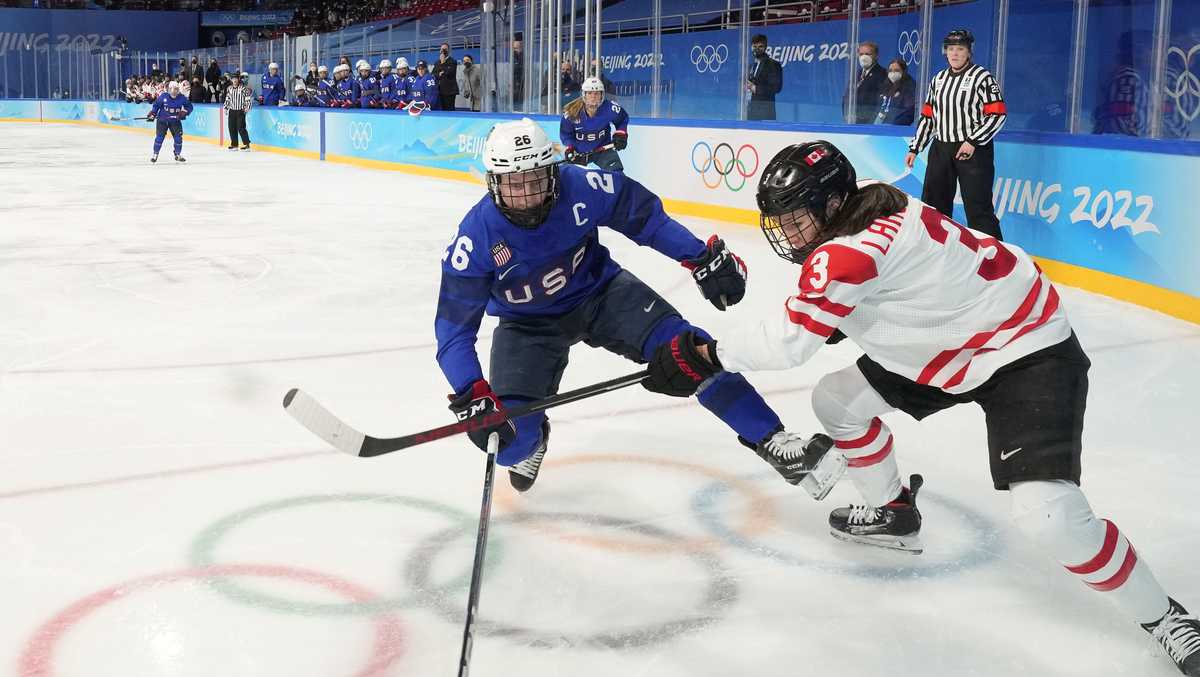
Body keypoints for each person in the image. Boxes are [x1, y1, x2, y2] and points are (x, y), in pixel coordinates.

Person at [642, 140, 1200, 677]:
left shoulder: (843, 255)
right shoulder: (873, 199)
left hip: (1024, 347)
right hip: (944, 342)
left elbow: (790, 343)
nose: (787, 233)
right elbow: (895, 281)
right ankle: (894, 512)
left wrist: (706, 354)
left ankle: (1166, 617)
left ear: (833, 204)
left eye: (795, 218)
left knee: (1049, 515)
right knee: (836, 402)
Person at [435, 118, 845, 496]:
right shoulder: (475, 239)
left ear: (553, 172)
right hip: (527, 327)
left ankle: (772, 440)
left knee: (690, 350)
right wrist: (472, 392)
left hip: (603, 294)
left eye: (535, 180)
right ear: (492, 183)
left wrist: (699, 256)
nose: (525, 195)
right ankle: (534, 438)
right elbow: (453, 330)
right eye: (512, 183)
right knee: (507, 444)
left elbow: (645, 217)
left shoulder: (582, 186)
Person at [906, 29, 1006, 239]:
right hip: (941, 148)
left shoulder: (982, 77)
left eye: (960, 49)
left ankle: (995, 260)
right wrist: (915, 147)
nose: (955, 54)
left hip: (973, 150)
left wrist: (973, 141)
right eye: (951, 49)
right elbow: (928, 117)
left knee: (978, 207)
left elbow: (997, 115)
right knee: (934, 206)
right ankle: (935, 252)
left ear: (969, 52)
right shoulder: (938, 79)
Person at [560, 76, 628, 171]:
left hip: (603, 149)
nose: (593, 97)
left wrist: (621, 134)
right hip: (579, 153)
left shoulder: (610, 108)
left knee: (617, 175)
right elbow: (566, 134)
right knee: (568, 176)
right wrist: (570, 148)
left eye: (597, 93)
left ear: (602, 95)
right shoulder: (571, 113)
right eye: (589, 93)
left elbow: (622, 119)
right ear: (584, 95)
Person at [147, 80, 192, 164]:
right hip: (162, 121)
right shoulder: (163, 96)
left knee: (178, 138)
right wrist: (153, 113)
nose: (173, 91)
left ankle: (177, 154)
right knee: (159, 138)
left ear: (178, 90)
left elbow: (189, 107)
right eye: (171, 89)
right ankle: (155, 154)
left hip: (175, 121)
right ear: (168, 89)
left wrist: (184, 112)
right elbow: (156, 106)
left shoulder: (182, 98)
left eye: (175, 89)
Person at [845, 41, 887, 124]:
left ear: (876, 56)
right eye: (861, 54)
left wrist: (873, 122)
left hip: (869, 123)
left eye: (868, 54)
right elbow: (847, 96)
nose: (864, 57)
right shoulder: (857, 74)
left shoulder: (883, 74)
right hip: (853, 121)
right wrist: (846, 114)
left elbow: (881, 102)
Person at [747, 34, 782, 121]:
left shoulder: (773, 64)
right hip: (750, 111)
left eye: (760, 46)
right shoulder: (751, 66)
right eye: (754, 46)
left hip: (765, 113)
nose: (757, 49)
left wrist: (755, 88)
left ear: (766, 47)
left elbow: (776, 88)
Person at [875, 58, 916, 125]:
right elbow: (877, 108)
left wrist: (894, 125)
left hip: (897, 128)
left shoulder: (909, 87)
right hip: (879, 126)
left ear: (904, 71)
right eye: (890, 70)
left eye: (897, 70)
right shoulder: (885, 86)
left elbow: (908, 112)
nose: (893, 73)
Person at [223, 71, 253, 150]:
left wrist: (247, 108)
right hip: (232, 110)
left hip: (240, 110)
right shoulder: (229, 88)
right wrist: (226, 107)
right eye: (233, 79)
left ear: (238, 79)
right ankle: (234, 145)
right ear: (231, 80)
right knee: (231, 127)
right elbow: (228, 99)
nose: (235, 80)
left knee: (241, 127)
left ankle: (247, 144)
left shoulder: (243, 88)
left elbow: (248, 99)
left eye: (236, 78)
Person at [433, 42, 459, 111]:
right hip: (439, 91)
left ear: (448, 51)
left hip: (449, 92)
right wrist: (439, 74)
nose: (443, 51)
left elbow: (450, 73)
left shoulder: (453, 61)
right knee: (441, 110)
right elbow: (433, 74)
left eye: (445, 49)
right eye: (442, 49)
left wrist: (443, 63)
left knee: (449, 110)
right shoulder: (436, 62)